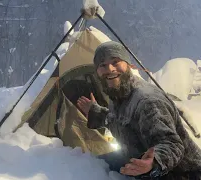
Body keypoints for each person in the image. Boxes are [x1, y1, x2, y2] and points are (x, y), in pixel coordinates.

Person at [77, 41, 201, 179]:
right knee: (93, 164)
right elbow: (121, 121)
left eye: (116, 62)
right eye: (102, 65)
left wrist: (153, 162)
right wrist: (97, 113)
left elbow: (171, 144)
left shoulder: (148, 102)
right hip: (136, 159)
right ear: (97, 72)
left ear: (128, 65)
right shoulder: (118, 92)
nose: (110, 69)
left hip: (181, 173)